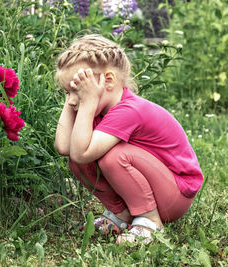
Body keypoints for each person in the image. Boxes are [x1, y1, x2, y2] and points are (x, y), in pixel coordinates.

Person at [54, 34, 203, 244]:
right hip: (152, 188)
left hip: (175, 195)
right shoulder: (96, 110)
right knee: (78, 161)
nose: (70, 101)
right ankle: (121, 215)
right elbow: (65, 147)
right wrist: (75, 98)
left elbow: (82, 152)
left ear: (108, 81)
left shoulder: (129, 110)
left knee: (113, 156)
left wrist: (86, 101)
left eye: (76, 90)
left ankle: (150, 222)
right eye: (66, 92)